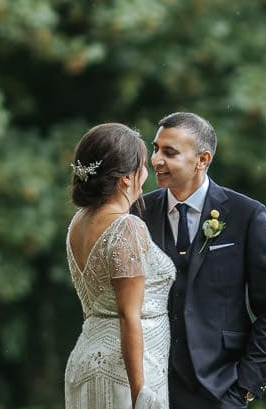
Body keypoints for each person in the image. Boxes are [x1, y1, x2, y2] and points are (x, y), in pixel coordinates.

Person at [143, 112, 266, 409]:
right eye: (156, 149)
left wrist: (245, 386)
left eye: (169, 152)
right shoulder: (140, 213)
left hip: (220, 388)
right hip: (152, 387)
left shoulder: (247, 215)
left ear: (202, 159)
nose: (156, 160)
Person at [65, 123, 176, 409]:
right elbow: (129, 316)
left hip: (86, 360)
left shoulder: (78, 222)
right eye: (142, 166)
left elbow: (92, 307)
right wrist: (141, 394)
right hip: (124, 374)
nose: (146, 174)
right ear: (126, 178)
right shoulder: (127, 226)